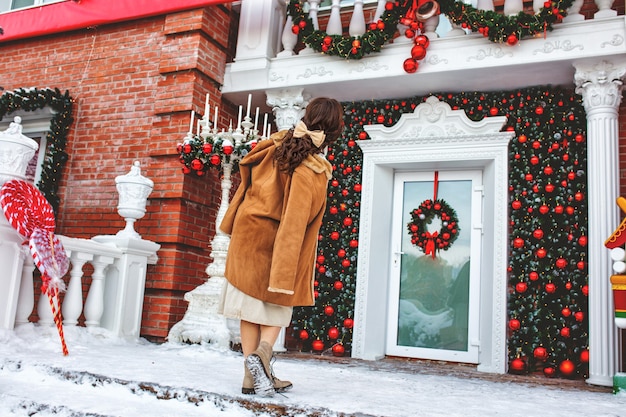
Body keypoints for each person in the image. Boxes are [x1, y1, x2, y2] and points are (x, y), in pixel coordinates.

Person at [218, 97, 344, 397]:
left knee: (250, 309)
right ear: (333, 128)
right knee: (276, 304)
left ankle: (251, 379)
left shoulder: (275, 145)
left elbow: (246, 171)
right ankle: (263, 355)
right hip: (276, 240)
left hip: (247, 235)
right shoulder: (312, 169)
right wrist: (286, 270)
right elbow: (295, 221)